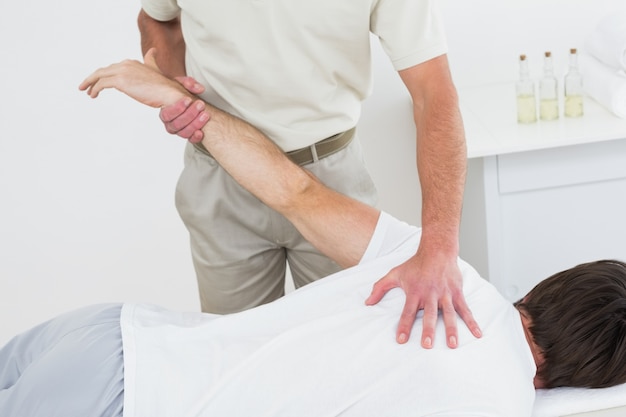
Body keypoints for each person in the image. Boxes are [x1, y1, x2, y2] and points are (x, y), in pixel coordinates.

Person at [2, 55, 626, 417]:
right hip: (123, 405)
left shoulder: (439, 268)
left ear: (552, 287)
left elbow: (290, 190)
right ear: (594, 374)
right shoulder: (495, 402)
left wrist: (173, 97)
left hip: (107, 335)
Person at [136, 0, 477, 349]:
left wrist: (439, 247)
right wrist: (174, 86)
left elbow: (433, 93)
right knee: (234, 356)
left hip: (331, 180)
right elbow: (157, 18)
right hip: (222, 174)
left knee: (351, 352)